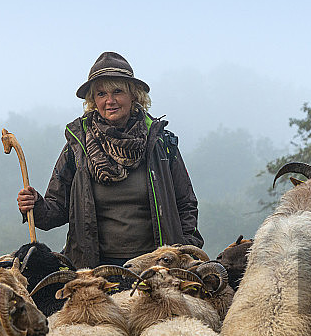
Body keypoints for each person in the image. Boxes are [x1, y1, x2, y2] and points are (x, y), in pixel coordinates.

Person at [16, 51, 203, 268]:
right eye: (101, 94)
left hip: (155, 268)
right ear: (93, 101)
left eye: (117, 91)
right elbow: (55, 211)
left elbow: (186, 203)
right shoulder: (77, 147)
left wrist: (187, 249)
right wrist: (35, 205)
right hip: (95, 271)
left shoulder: (161, 144)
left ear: (134, 95)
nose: (110, 101)